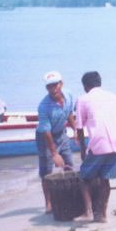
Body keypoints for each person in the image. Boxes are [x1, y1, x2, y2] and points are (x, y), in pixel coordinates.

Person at [74, 71, 116, 223]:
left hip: (99, 144)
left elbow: (79, 128)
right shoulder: (113, 97)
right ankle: (102, 214)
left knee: (84, 178)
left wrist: (82, 150)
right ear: (100, 83)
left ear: (85, 86)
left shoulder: (83, 99)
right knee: (105, 179)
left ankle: (88, 212)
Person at [36, 70, 76, 214]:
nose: (53, 89)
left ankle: (70, 195)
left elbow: (69, 113)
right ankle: (48, 203)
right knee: (46, 172)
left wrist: (75, 130)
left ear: (61, 84)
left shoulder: (69, 94)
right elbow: (46, 132)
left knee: (69, 164)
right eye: (49, 86)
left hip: (61, 133)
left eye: (55, 85)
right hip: (45, 138)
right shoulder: (44, 107)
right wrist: (54, 153)